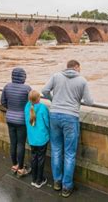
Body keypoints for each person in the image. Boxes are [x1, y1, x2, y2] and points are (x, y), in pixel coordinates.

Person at [42, 60, 93, 198]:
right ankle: (66, 186)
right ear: (76, 67)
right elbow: (89, 101)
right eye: (80, 68)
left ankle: (57, 182)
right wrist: (77, 100)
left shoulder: (56, 76)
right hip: (71, 117)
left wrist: (53, 100)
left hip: (54, 115)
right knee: (69, 153)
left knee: (56, 150)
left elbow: (44, 91)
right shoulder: (82, 80)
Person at [0, 67, 32, 177]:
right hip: (22, 121)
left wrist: (11, 109)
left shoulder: (7, 87)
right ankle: (21, 168)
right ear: (23, 77)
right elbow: (31, 104)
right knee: (20, 144)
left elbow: (3, 102)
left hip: (10, 118)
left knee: (13, 143)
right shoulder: (26, 88)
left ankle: (14, 165)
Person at [24, 90, 50, 188]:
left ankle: (34, 179)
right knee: (41, 159)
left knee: (34, 157)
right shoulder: (43, 108)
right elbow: (47, 123)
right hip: (42, 139)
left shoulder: (27, 107)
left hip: (32, 139)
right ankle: (39, 180)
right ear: (39, 98)